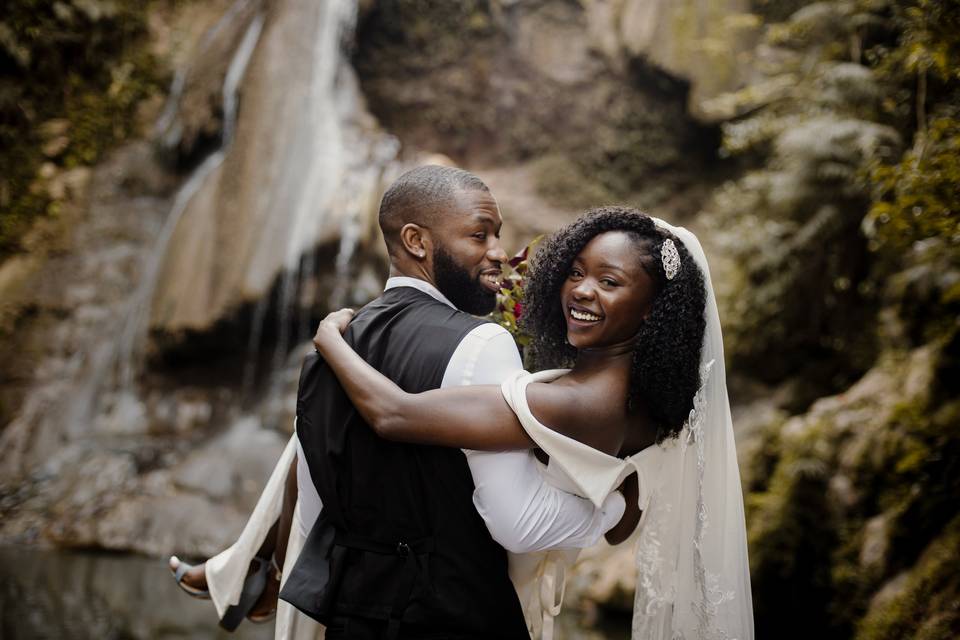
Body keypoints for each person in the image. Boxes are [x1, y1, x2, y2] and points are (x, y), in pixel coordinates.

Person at [171, 165, 627, 638]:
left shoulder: (330, 347)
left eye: (497, 236)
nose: (498, 253)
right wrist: (612, 508)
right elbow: (517, 523)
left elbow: (311, 514)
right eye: (479, 235)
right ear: (416, 241)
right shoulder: (481, 344)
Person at [310, 207, 755, 639]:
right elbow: (621, 529)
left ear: (651, 309)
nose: (580, 290)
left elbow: (393, 415)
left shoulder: (578, 402)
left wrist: (330, 339)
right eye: (575, 272)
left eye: (609, 282)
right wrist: (619, 500)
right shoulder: (642, 398)